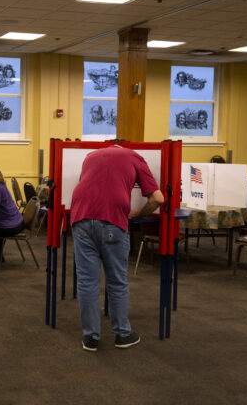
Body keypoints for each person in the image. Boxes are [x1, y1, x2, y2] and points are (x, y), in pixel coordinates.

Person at [70, 145, 164, 352]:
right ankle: (122, 334)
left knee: (87, 281)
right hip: (112, 220)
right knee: (117, 281)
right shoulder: (135, 157)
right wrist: (139, 215)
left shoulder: (90, 156)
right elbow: (158, 198)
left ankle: (90, 338)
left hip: (80, 217)